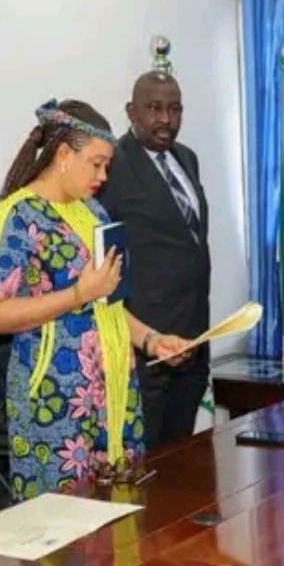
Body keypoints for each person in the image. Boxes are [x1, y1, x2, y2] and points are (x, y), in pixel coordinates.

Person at [0, 98, 193, 501]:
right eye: (96, 164)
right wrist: (77, 294)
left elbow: (107, 303)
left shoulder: (91, 211)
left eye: (107, 165)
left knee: (120, 517)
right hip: (57, 401)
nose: (103, 175)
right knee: (65, 537)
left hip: (113, 390)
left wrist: (151, 341)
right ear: (62, 155)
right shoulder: (17, 216)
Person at [94, 67, 212, 450]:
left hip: (194, 337)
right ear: (132, 111)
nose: (165, 120)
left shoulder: (188, 159)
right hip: (146, 346)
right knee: (149, 466)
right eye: (154, 109)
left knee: (184, 459)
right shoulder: (111, 166)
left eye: (174, 109)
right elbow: (101, 255)